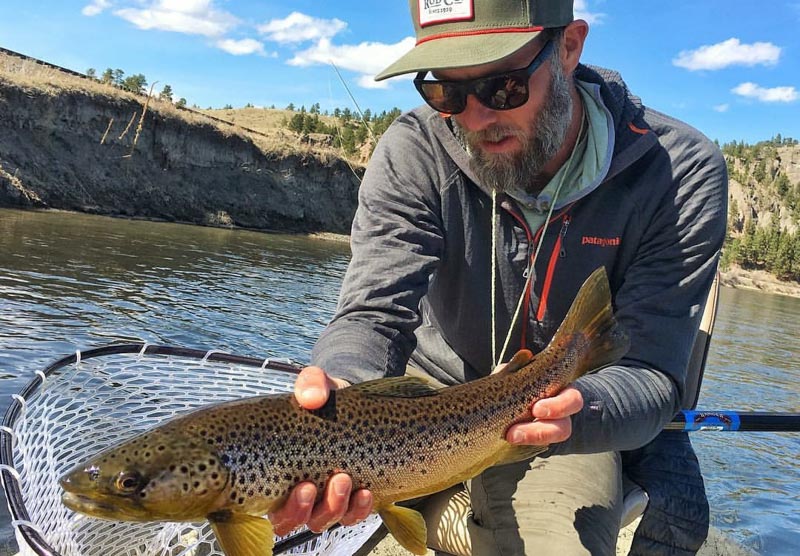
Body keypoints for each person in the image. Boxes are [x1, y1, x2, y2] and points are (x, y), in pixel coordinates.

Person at [270, 0, 727, 554]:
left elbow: (651, 371)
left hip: (566, 410)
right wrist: (343, 389)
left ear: (569, 47)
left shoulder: (679, 171)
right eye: (446, 93)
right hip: (422, 404)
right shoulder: (413, 150)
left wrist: (570, 412)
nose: (475, 119)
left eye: (502, 88)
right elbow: (373, 314)